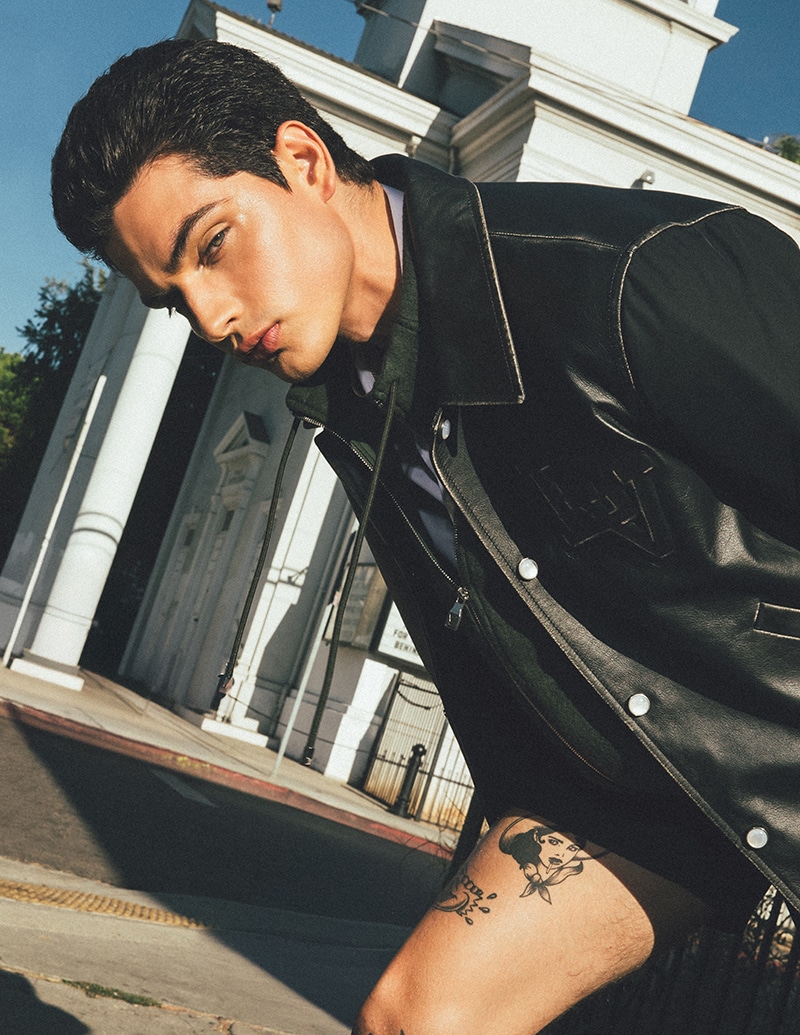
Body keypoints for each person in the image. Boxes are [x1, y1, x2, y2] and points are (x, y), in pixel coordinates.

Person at [51, 37, 800, 1035]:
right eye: (172, 297)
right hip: (640, 796)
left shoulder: (628, 277)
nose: (212, 316)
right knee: (422, 1015)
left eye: (214, 244)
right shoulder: (354, 404)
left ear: (303, 161)